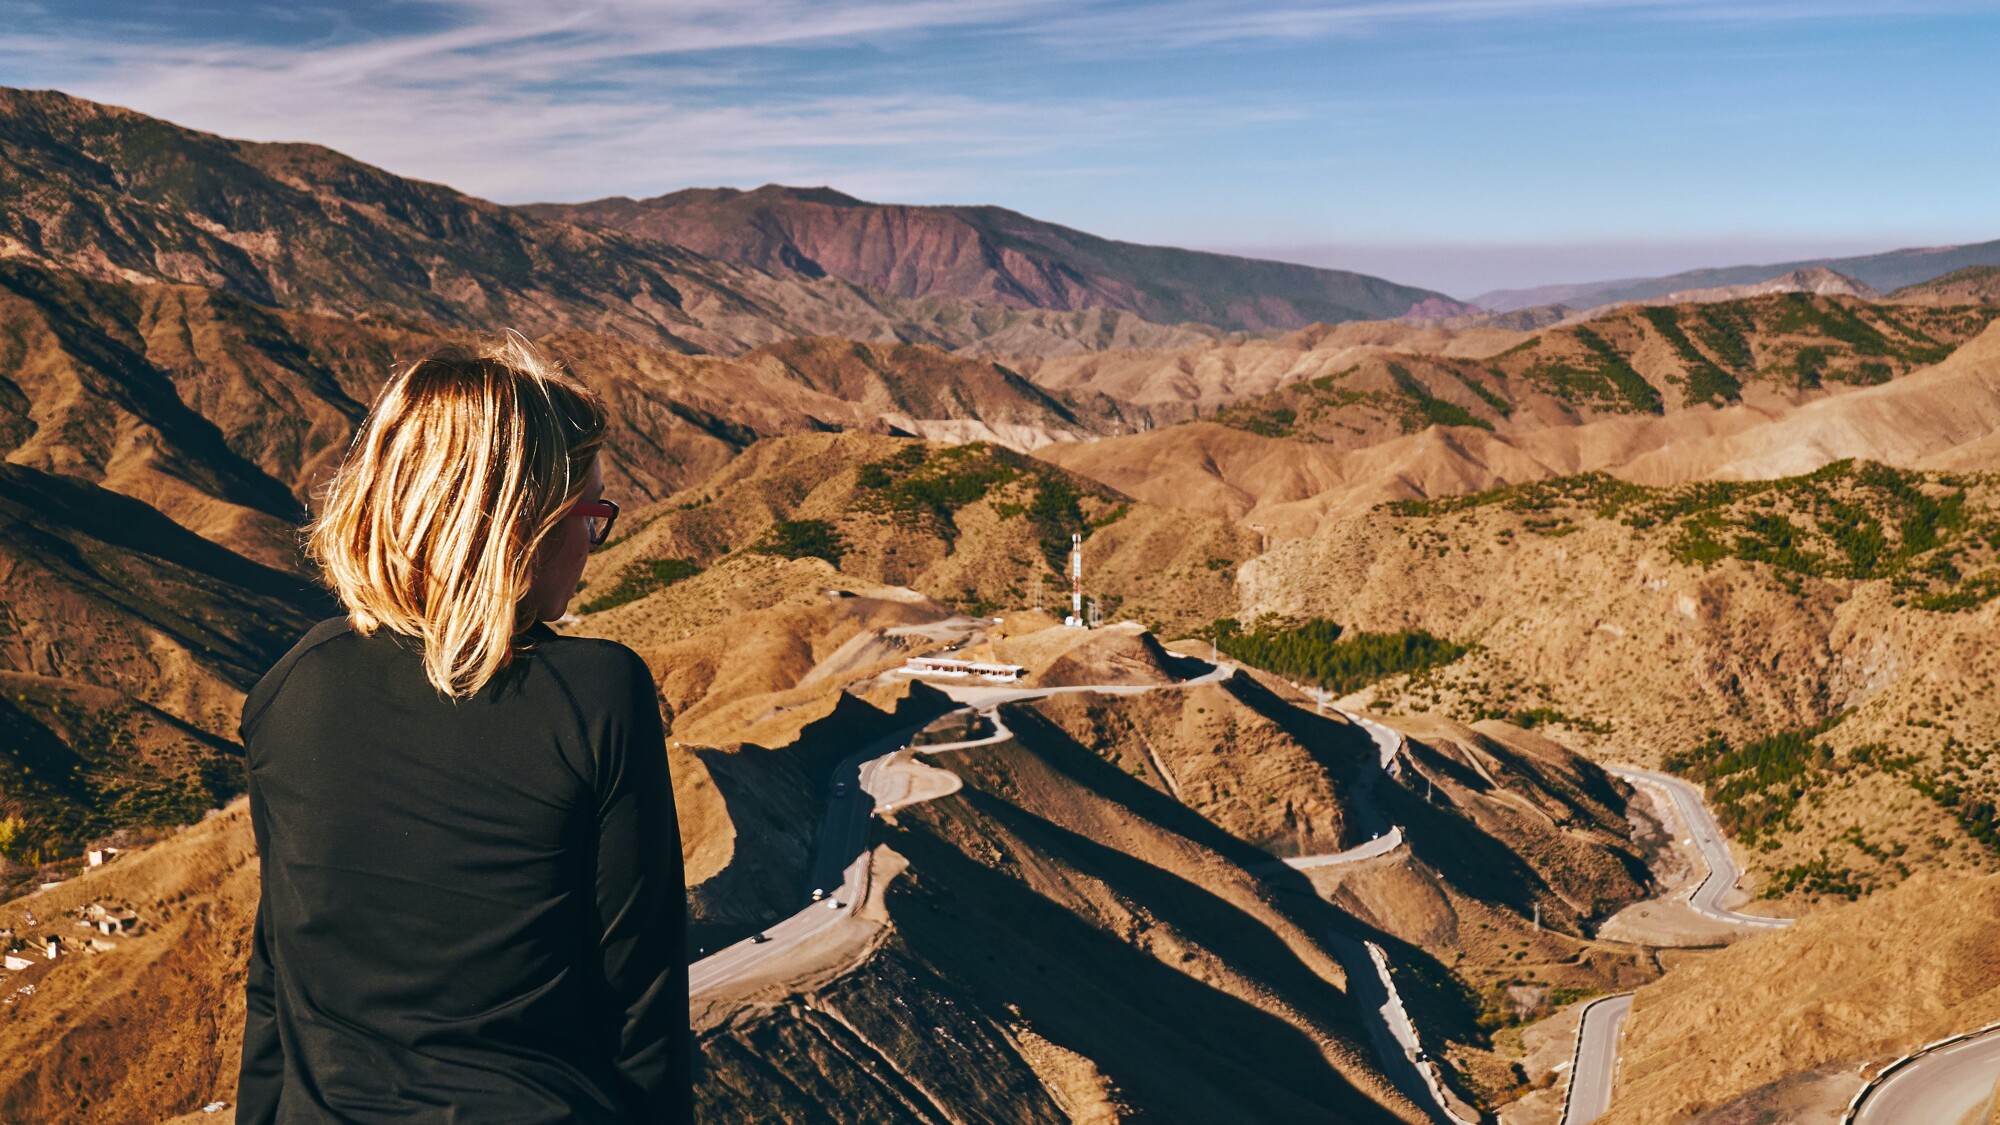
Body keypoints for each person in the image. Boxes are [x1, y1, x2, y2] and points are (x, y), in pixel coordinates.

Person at [235, 337, 693, 1123]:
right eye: (587, 513)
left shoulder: (289, 689)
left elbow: (276, 989)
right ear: (517, 525)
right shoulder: (600, 696)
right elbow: (641, 1013)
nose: (592, 540)